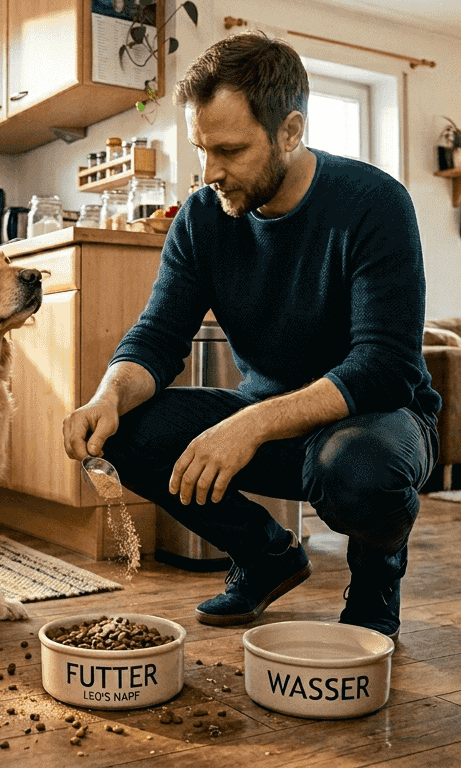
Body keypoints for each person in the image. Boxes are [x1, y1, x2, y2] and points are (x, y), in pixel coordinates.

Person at [60, 32, 440, 638]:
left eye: (230, 151)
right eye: (201, 150)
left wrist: (250, 424)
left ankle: (376, 579)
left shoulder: (374, 203)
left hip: (378, 422)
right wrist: (106, 396)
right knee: (125, 432)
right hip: (272, 422)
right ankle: (265, 557)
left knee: (356, 468)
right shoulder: (203, 218)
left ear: (290, 132)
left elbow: (383, 366)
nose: (211, 173)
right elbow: (156, 338)